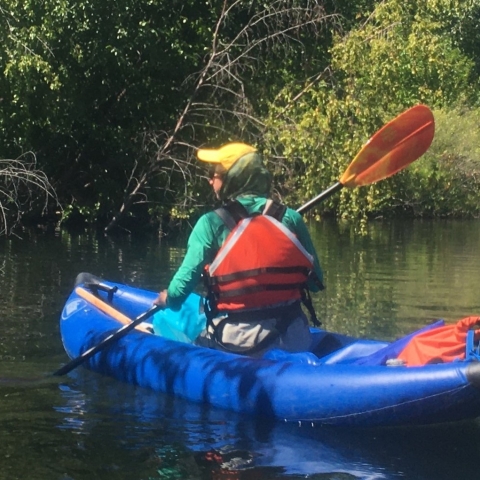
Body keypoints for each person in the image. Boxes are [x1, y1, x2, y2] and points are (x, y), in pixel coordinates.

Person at [154, 142, 324, 356]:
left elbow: (179, 292)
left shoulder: (210, 224)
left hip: (240, 343)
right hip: (295, 338)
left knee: (165, 318)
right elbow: (315, 282)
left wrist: (167, 299)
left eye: (214, 175)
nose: (209, 180)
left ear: (232, 179)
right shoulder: (291, 218)